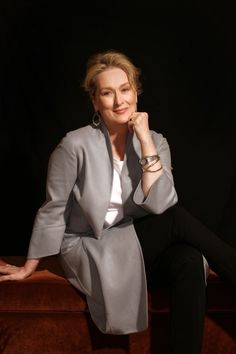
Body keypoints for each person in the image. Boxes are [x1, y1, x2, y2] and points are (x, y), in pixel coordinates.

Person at [0, 50, 235, 354]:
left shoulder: (157, 141)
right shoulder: (74, 145)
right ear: (95, 101)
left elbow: (161, 202)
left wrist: (146, 140)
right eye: (107, 93)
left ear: (136, 92)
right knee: (174, 220)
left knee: (189, 260)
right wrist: (29, 266)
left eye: (125, 90)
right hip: (90, 245)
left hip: (133, 244)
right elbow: (54, 206)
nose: (119, 101)